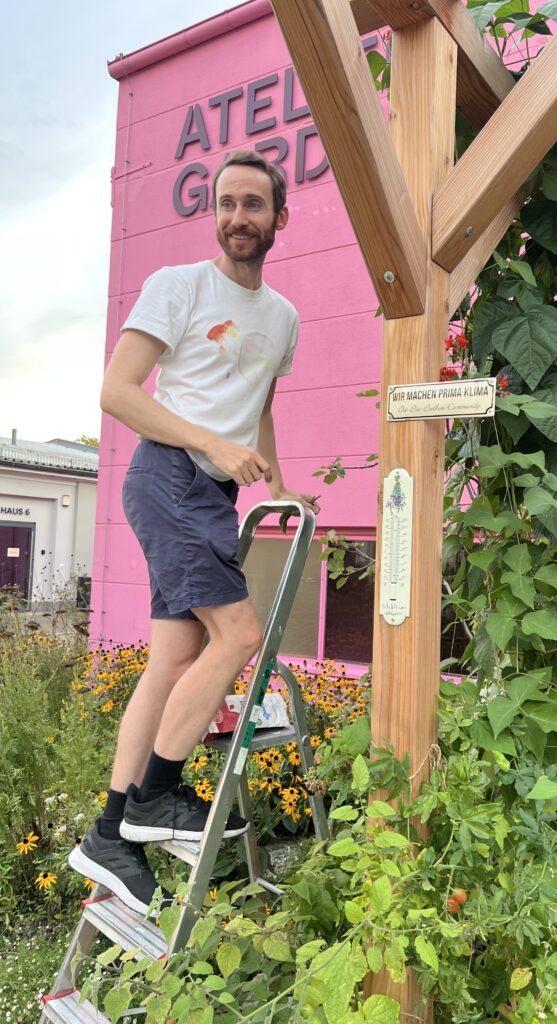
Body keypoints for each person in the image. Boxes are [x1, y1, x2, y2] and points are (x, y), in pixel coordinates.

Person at [69, 151, 319, 915]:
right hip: (169, 475)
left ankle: (112, 831)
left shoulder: (284, 319)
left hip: (208, 493)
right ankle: (158, 794)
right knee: (239, 633)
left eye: (254, 203)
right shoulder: (178, 286)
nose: (238, 216)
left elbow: (257, 401)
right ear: (214, 213)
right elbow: (116, 392)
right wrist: (208, 445)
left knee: (175, 655)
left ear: (281, 215)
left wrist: (275, 483)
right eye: (225, 203)